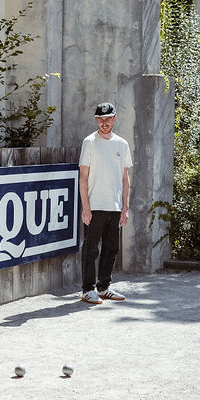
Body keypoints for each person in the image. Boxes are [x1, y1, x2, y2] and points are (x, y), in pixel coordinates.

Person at [78, 102, 132, 304]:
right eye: (100, 119)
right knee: (91, 248)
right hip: (95, 205)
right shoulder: (90, 142)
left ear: (115, 118)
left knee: (111, 248)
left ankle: (104, 287)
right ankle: (87, 289)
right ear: (96, 120)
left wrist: (125, 207)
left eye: (108, 118)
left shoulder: (122, 144)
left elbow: (125, 178)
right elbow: (83, 177)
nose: (104, 123)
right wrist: (86, 207)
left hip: (115, 206)